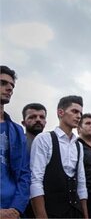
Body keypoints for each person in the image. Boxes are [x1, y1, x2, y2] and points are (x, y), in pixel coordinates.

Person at [30, 95, 89, 218]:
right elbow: (35, 181)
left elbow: (81, 184)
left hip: (75, 213)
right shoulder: (44, 139)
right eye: (74, 111)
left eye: (80, 113)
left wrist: (85, 215)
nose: (79, 116)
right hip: (51, 212)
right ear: (60, 112)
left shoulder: (78, 146)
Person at [0, 65, 31, 218]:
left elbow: (24, 173)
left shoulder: (17, 131)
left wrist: (17, 208)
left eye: (12, 85)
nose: (9, 88)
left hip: (13, 210)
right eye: (3, 83)